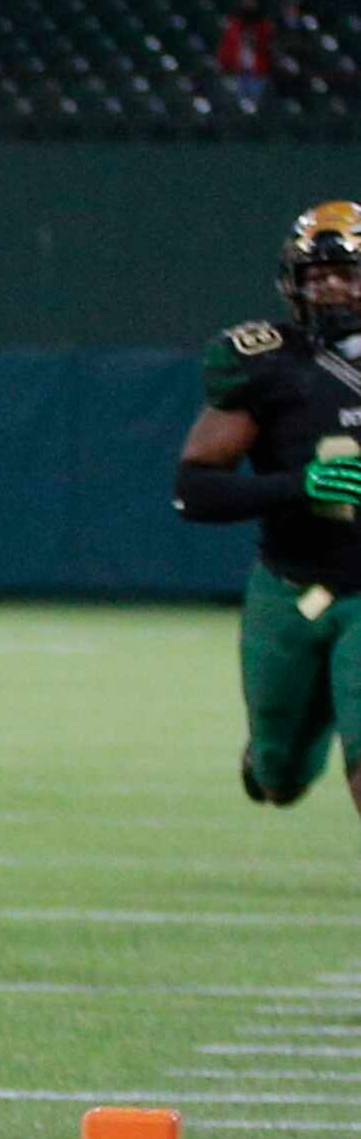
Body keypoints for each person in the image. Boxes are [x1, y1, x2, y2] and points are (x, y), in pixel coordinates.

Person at [173, 202, 361, 833]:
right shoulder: (266, 361)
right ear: (293, 281)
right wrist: (297, 485)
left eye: (348, 272)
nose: (332, 285)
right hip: (292, 585)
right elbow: (195, 491)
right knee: (276, 778)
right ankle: (292, 744)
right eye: (318, 273)